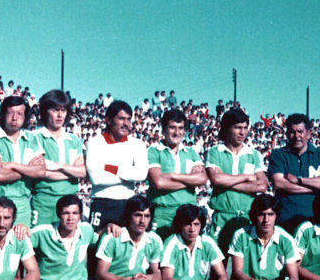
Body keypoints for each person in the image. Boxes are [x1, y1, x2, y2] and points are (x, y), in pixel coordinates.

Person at [205, 109, 268, 253]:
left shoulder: (254, 154)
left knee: (244, 262)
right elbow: (216, 179)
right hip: (222, 216)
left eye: (245, 128)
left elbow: (262, 185)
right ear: (227, 128)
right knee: (218, 261)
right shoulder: (215, 151)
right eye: (238, 127)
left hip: (246, 217)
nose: (242, 132)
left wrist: (227, 182)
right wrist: (246, 177)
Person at [267, 113, 320, 233]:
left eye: (300, 131)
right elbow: (279, 183)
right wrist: (317, 186)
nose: (296, 136)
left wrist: (299, 180)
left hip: (316, 221)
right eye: (292, 132)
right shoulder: (278, 155)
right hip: (286, 220)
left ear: (308, 133)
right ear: (286, 134)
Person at [85, 100, 148, 231]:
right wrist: (128, 176)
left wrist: (110, 168)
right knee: (97, 240)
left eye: (128, 119)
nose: (126, 123)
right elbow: (97, 178)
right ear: (108, 120)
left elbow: (141, 174)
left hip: (128, 203)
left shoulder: (137, 144)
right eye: (121, 119)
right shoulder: (95, 143)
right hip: (102, 201)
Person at [147, 109, 207, 239]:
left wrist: (172, 176)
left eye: (180, 128)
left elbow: (202, 179)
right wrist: (190, 180)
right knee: (161, 250)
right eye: (172, 127)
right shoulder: (153, 151)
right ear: (163, 130)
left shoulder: (191, 152)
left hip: (188, 215)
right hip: (162, 214)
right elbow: (159, 183)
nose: (177, 132)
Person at [32, 90, 86, 227]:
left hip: (70, 203)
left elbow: (82, 172)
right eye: (55, 110)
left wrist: (59, 166)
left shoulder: (73, 140)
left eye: (63, 110)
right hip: (44, 202)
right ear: (46, 111)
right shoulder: (34, 137)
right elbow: (40, 172)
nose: (60, 115)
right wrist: (71, 172)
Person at [0, 96, 45, 226]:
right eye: (10, 113)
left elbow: (41, 171)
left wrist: (11, 165)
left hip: (23, 204)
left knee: (21, 237)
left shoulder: (32, 138)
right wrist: (28, 169)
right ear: (3, 115)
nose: (14, 118)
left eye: (19, 114)